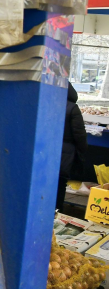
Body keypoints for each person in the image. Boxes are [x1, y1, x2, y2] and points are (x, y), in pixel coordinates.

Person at [58, 82, 89, 210]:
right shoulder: (72, 108)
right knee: (60, 183)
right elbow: (79, 134)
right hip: (66, 152)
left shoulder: (48, 103)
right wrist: (82, 151)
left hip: (46, 149)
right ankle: (57, 211)